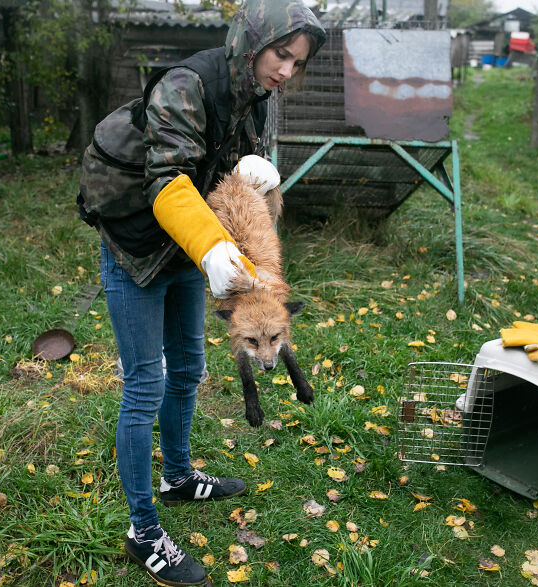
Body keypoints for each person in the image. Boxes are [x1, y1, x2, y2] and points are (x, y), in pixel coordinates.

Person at [98, 1, 324, 585]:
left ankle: (177, 477)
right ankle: (142, 531)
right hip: (141, 248)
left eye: (296, 64)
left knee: (190, 367)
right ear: (252, 43)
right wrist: (209, 248)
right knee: (146, 382)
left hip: (197, 255)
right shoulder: (185, 85)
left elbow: (234, 179)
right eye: (281, 55)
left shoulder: (255, 97)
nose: (285, 72)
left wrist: (263, 180)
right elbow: (168, 179)